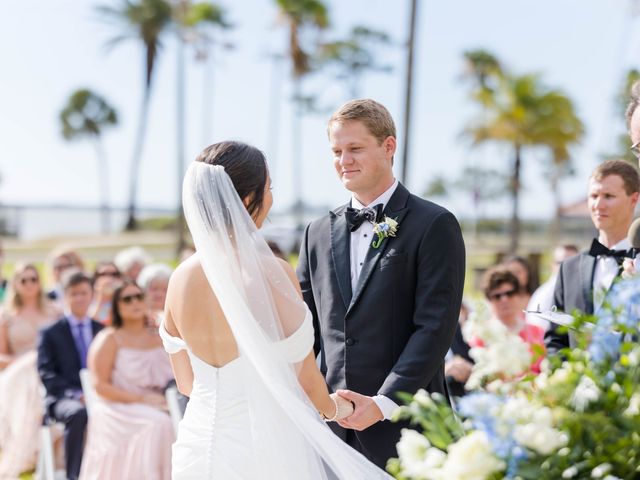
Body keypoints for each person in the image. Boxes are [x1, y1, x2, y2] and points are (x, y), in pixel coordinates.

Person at [162, 141, 390, 479]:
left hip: (198, 445)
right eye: (269, 188)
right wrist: (338, 408)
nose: (272, 199)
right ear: (246, 200)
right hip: (263, 448)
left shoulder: (179, 278)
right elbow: (308, 381)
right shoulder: (273, 272)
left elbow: (186, 383)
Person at [297, 99, 466, 468]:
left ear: (388, 146)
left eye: (355, 148)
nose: (345, 160)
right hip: (331, 433)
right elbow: (303, 330)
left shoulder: (434, 224)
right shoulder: (316, 233)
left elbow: (435, 327)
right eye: (337, 151)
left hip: (408, 431)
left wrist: (384, 403)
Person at [79, 281, 175, 480]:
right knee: (160, 423)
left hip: (164, 401)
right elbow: (100, 386)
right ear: (116, 305)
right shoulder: (109, 339)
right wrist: (141, 399)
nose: (135, 303)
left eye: (139, 297)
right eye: (127, 299)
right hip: (118, 406)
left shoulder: (160, 335)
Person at [546, 160, 639, 353]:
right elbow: (556, 340)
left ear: (634, 199)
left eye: (608, 196)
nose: (598, 205)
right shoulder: (568, 268)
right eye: (593, 196)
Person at [37, 271, 103, 480]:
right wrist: (76, 394)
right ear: (65, 296)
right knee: (77, 413)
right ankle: (73, 475)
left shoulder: (101, 330)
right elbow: (46, 374)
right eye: (74, 294)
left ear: (92, 295)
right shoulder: (50, 332)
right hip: (63, 398)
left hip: (100, 394)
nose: (80, 298)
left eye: (84, 293)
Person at [0, 264, 59, 478]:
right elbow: (1, 357)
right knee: (30, 376)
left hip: (50, 371)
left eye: (33, 279)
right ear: (16, 284)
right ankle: (28, 450)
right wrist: (27, 360)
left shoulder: (54, 311)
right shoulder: (6, 317)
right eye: (23, 280)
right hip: (18, 373)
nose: (29, 284)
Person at [471, 267, 545, 374]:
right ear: (488, 300)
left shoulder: (538, 332)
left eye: (509, 293)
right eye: (497, 296)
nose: (504, 299)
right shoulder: (481, 335)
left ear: (519, 294)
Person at [526, 245, 579, 331]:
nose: (567, 268)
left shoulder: (577, 290)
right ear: (552, 265)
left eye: (572, 263)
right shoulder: (545, 294)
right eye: (561, 263)